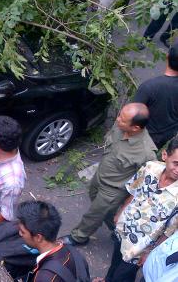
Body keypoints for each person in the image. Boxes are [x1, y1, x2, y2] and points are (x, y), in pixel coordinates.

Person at [61, 103, 157, 246]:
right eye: (119, 115)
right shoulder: (119, 127)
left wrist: (126, 201)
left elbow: (144, 180)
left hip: (113, 191)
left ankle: (78, 237)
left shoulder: (146, 152)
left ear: (135, 127)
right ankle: (114, 223)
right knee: (98, 205)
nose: (117, 120)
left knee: (93, 214)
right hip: (99, 177)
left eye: (122, 119)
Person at [95, 139, 178, 282]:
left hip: (140, 248)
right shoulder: (150, 168)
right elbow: (134, 191)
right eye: (176, 163)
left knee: (123, 276)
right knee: (115, 261)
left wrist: (151, 253)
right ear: (165, 156)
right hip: (124, 228)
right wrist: (121, 212)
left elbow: (169, 232)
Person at [17, 201, 91, 282]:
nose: (20, 233)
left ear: (38, 237)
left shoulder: (44, 278)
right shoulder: (72, 252)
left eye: (22, 231)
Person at [133, 41, 178, 146]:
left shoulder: (149, 87)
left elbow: (133, 116)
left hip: (145, 138)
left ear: (167, 57)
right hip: (168, 137)